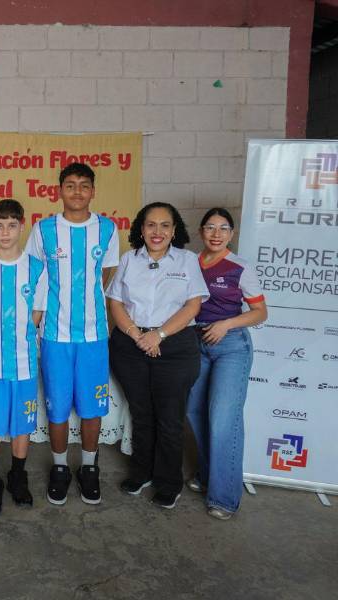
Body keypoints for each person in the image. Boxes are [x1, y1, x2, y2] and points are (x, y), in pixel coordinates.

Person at [26, 162, 119, 506]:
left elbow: (107, 272)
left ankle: (90, 468)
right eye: (70, 185)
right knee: (58, 407)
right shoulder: (44, 229)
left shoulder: (108, 229)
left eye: (84, 185)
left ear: (93, 191)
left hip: (94, 336)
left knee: (93, 407)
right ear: (59, 190)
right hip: (55, 335)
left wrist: (86, 299)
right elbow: (35, 276)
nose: (77, 191)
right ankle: (61, 467)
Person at [106, 202, 209, 509]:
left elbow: (193, 306)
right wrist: (138, 335)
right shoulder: (128, 260)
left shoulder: (187, 260)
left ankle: (168, 481)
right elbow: (116, 303)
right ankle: (142, 473)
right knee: (141, 413)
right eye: (151, 225)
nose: (158, 231)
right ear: (141, 228)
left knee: (169, 417)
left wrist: (158, 334)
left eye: (165, 225)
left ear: (174, 231)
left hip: (175, 346)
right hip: (130, 344)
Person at [186, 208, 267, 520]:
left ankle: (223, 497)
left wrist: (227, 324)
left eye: (223, 228)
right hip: (197, 343)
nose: (216, 234)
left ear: (231, 234)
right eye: (210, 227)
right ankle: (207, 475)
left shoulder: (240, 267)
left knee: (223, 419)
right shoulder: (190, 263)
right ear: (202, 232)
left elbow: (260, 312)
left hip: (231, 346)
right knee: (195, 413)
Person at [0, 199, 47, 513]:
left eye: (11, 225)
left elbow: (38, 314)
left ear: (22, 225)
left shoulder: (37, 269)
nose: (5, 232)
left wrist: (18, 339)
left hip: (25, 363)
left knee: (21, 424)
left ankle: (18, 475)